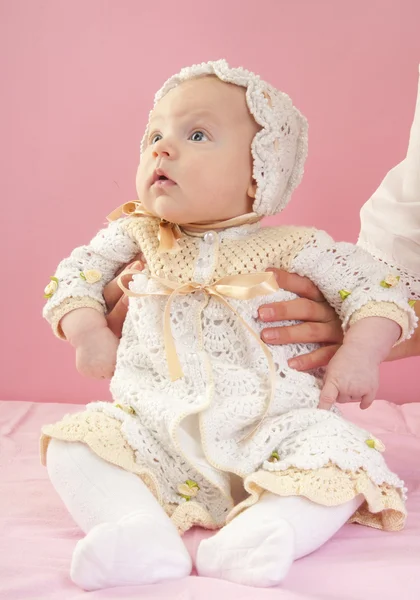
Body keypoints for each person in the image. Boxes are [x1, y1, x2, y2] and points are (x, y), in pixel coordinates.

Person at [41, 60, 416, 591]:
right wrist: (88, 331)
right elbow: (71, 278)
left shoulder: (297, 246)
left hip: (272, 431)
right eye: (154, 134)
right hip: (152, 428)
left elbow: (381, 290)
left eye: (195, 134)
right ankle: (134, 532)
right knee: (76, 442)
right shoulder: (136, 235)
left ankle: (268, 531)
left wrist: (361, 351)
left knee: (343, 453)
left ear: (259, 172)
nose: (161, 148)